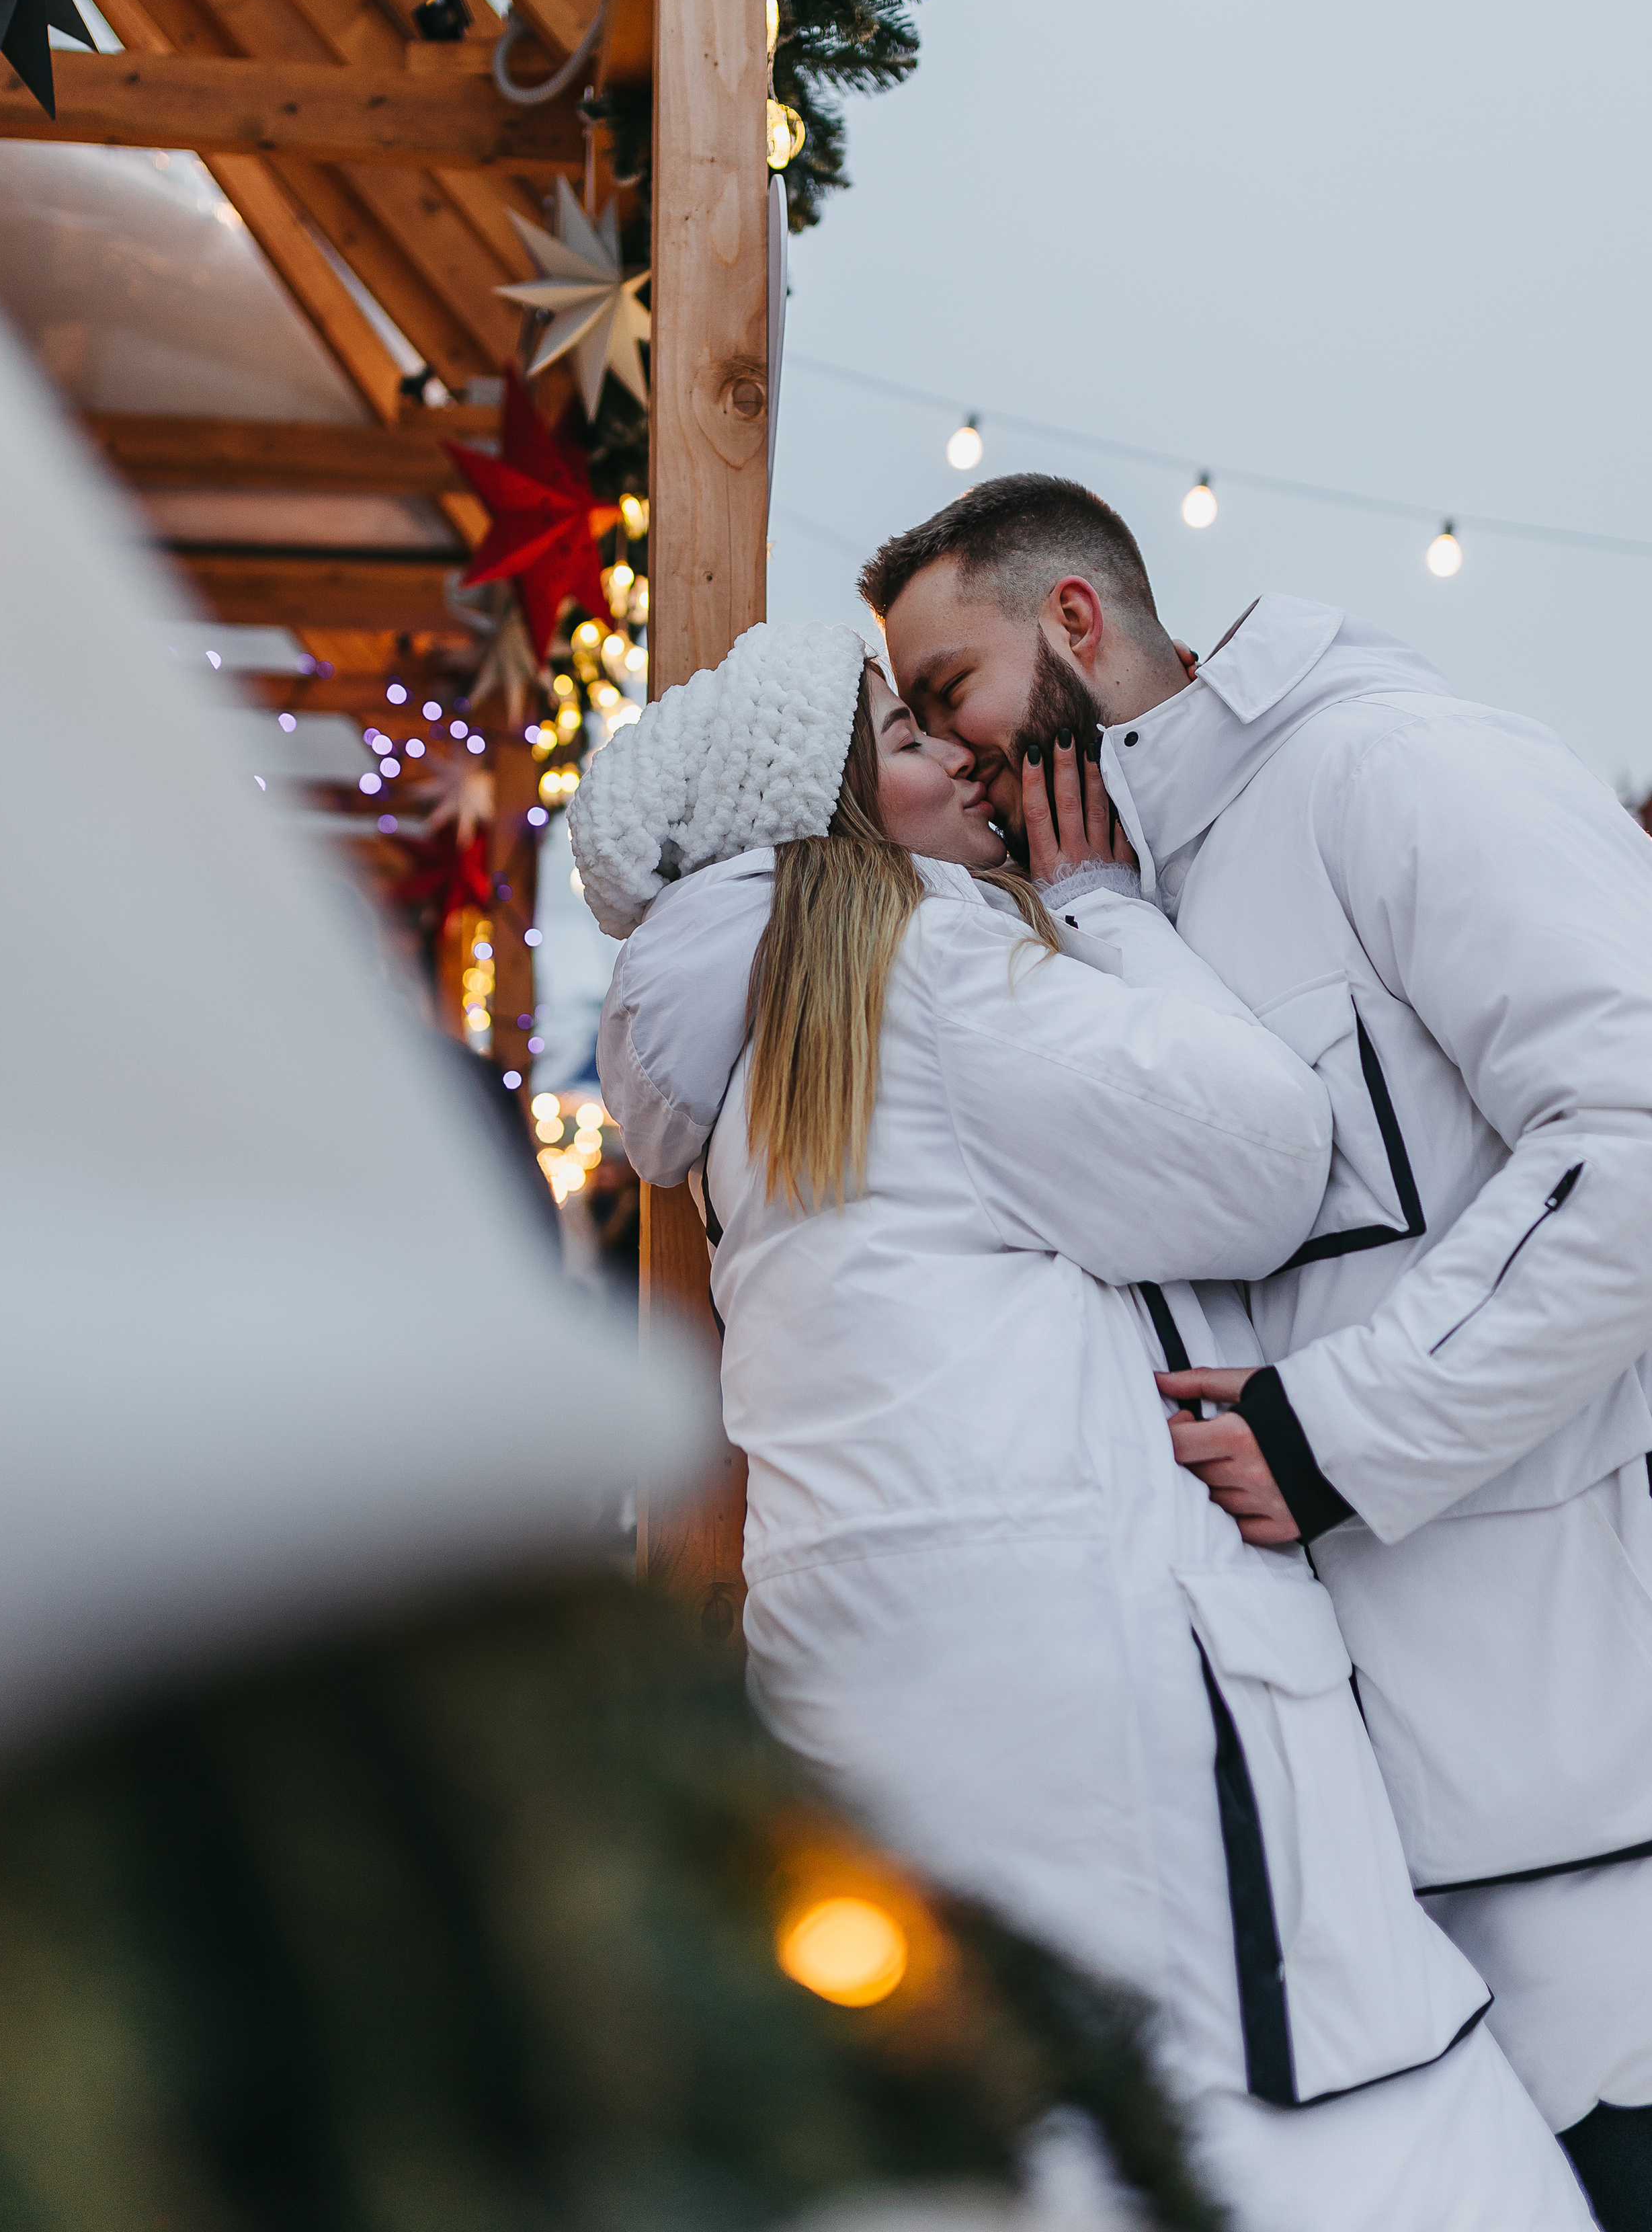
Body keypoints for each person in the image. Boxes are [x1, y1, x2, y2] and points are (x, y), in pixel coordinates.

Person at [569, 618, 1592, 2232]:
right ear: (833, 815)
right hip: (1089, 1687)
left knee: (1009, 2121)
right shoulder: (925, 954)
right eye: (904, 743)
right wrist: (1109, 912)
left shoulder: (756, 1033)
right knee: (1264, 2111)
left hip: (885, 1666)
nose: (957, 762)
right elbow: (1256, 1158)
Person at [867, 471, 1652, 2231]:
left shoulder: (1393, 771)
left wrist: (1331, 1434)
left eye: (946, 695)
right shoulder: (1120, 898)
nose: (949, 747)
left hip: (1593, 1818)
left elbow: (1635, 1141)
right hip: (1371, 1868)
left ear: (1075, 621)